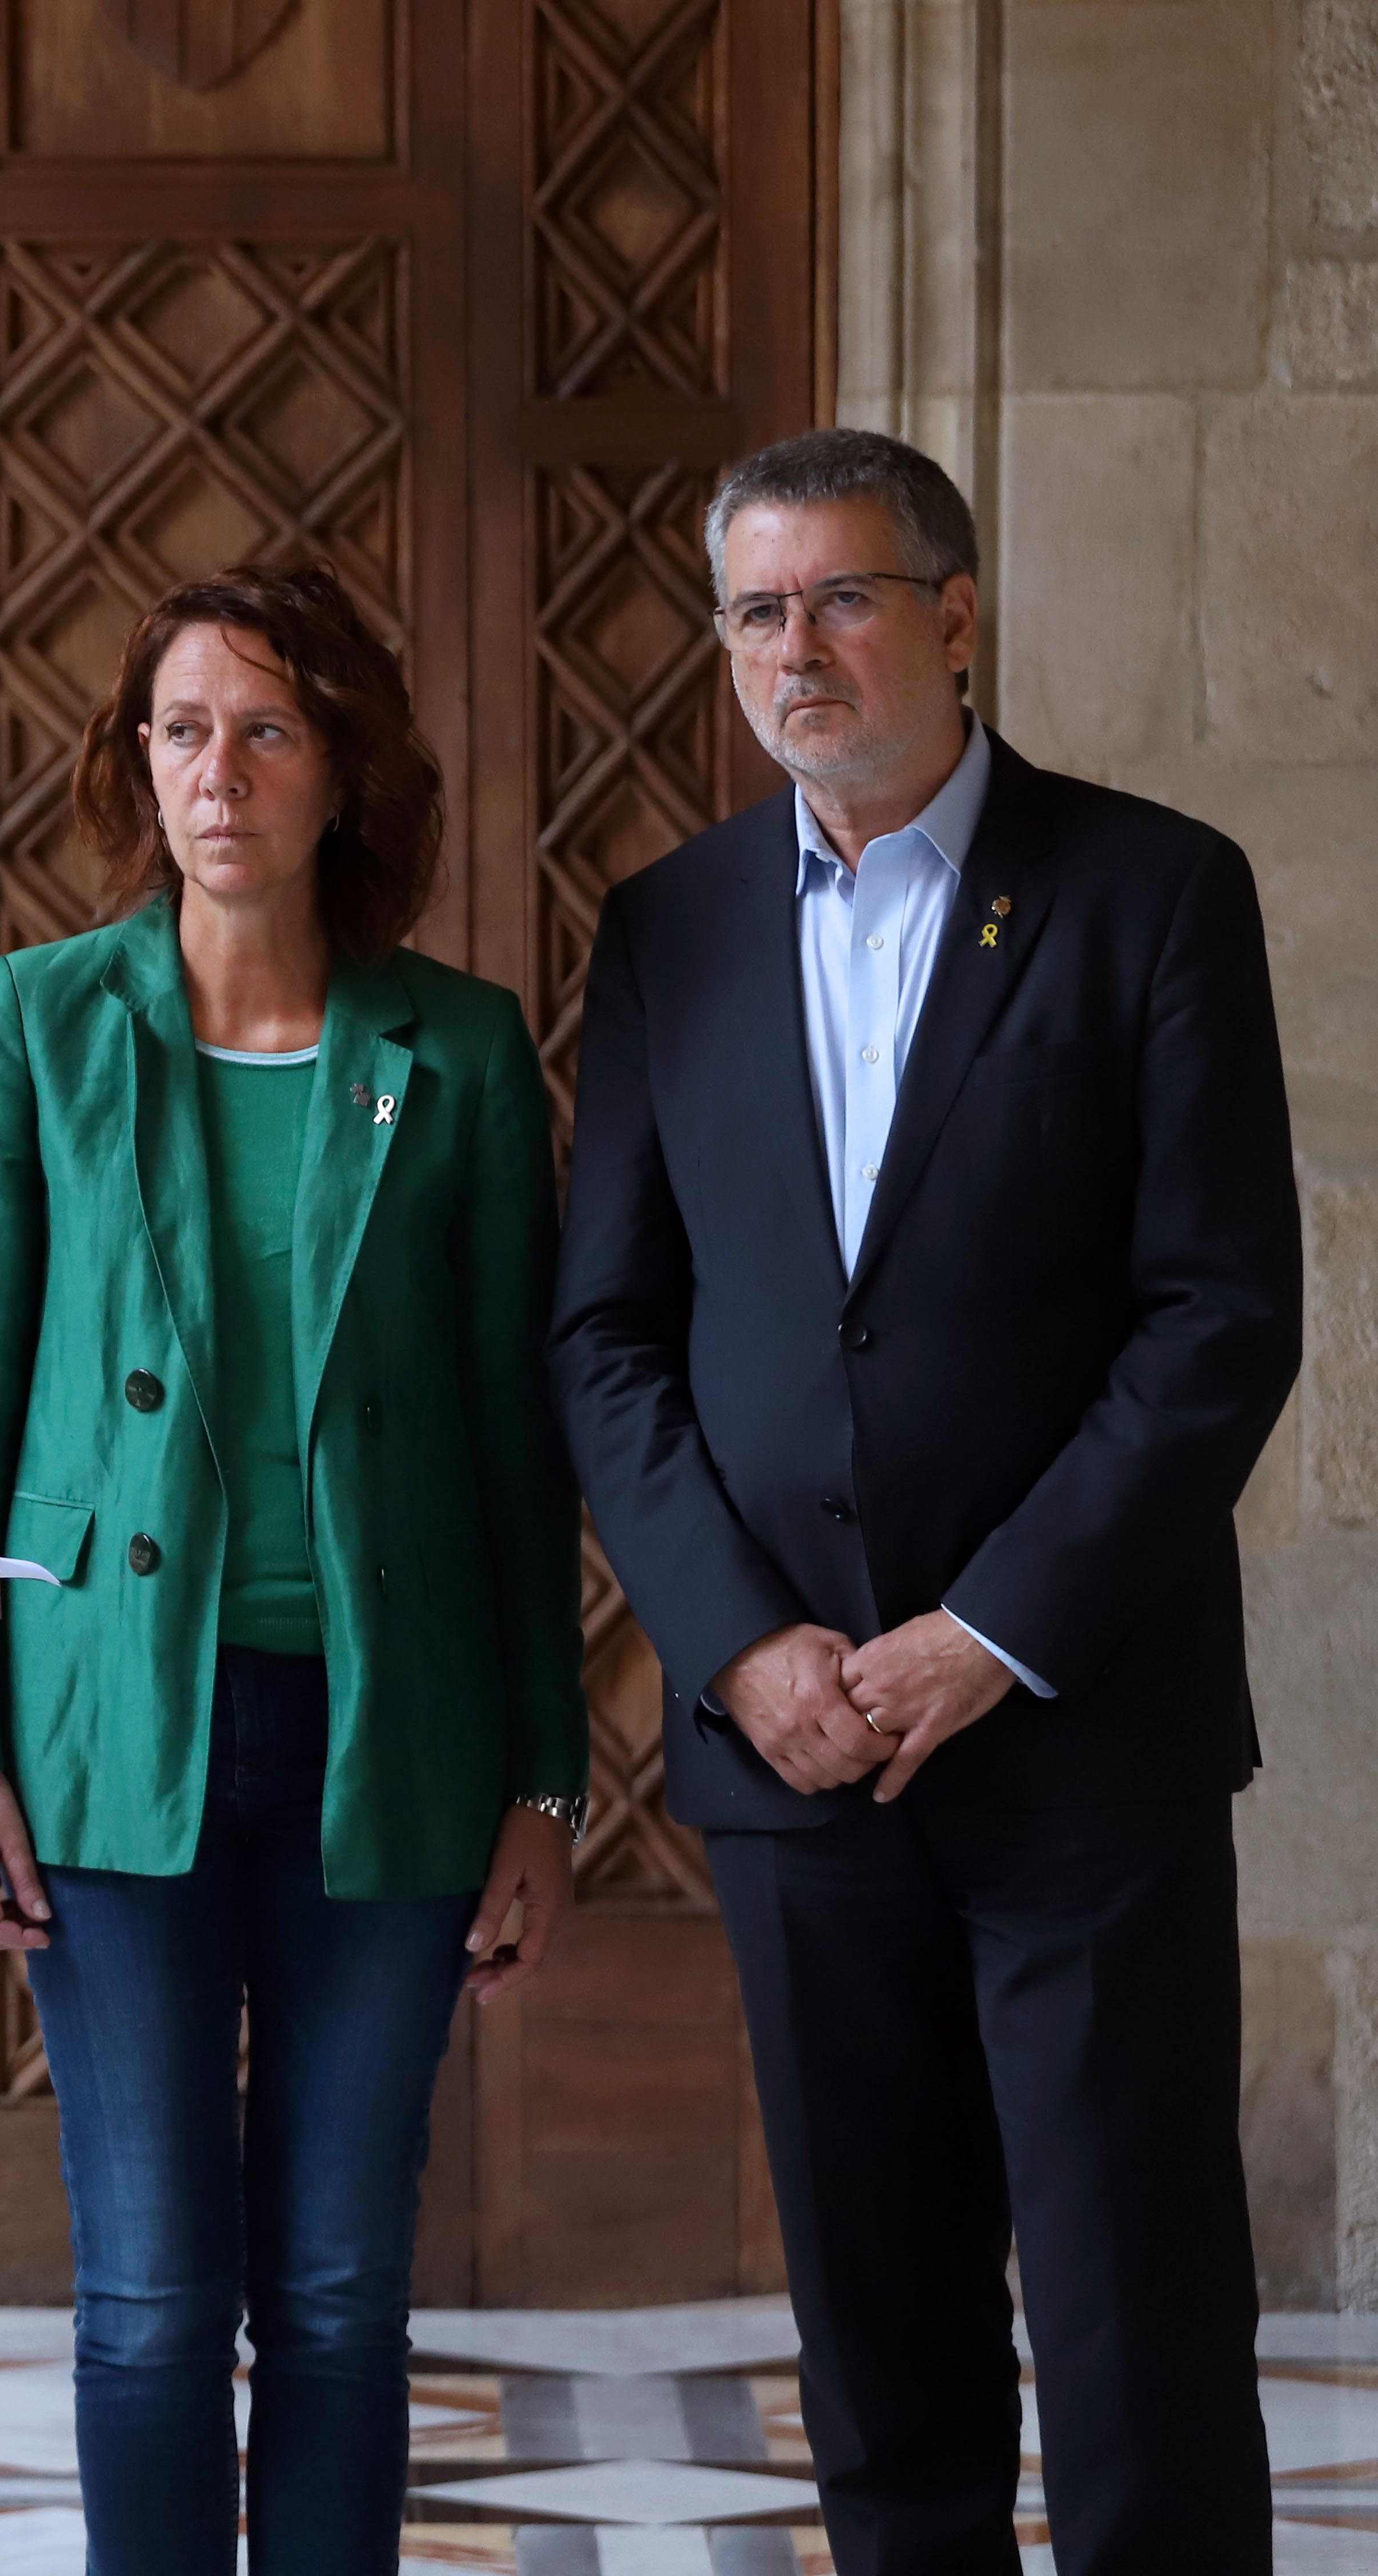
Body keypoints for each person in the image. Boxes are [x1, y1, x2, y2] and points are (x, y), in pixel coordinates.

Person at [551, 427, 1298, 2574]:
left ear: (956, 618)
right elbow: (608, 1338)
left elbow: (1218, 1317)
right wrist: (742, 1645)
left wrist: (988, 1633)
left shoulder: (1151, 889)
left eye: (845, 598)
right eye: (759, 613)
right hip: (799, 1755)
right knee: (880, 2345)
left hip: (1080, 1741)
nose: (801, 650)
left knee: (1138, 2328)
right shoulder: (671, 928)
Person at [0, 561, 588, 2573]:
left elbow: (515, 1434)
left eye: (268, 730)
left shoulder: (456, 1052)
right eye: (182, 728)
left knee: (331, 2288)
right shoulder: (44, 1022)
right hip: (109, 1735)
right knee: (146, 2295)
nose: (218, 772)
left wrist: (548, 1779)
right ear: (138, 765)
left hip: (385, 1741)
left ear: (346, 776)